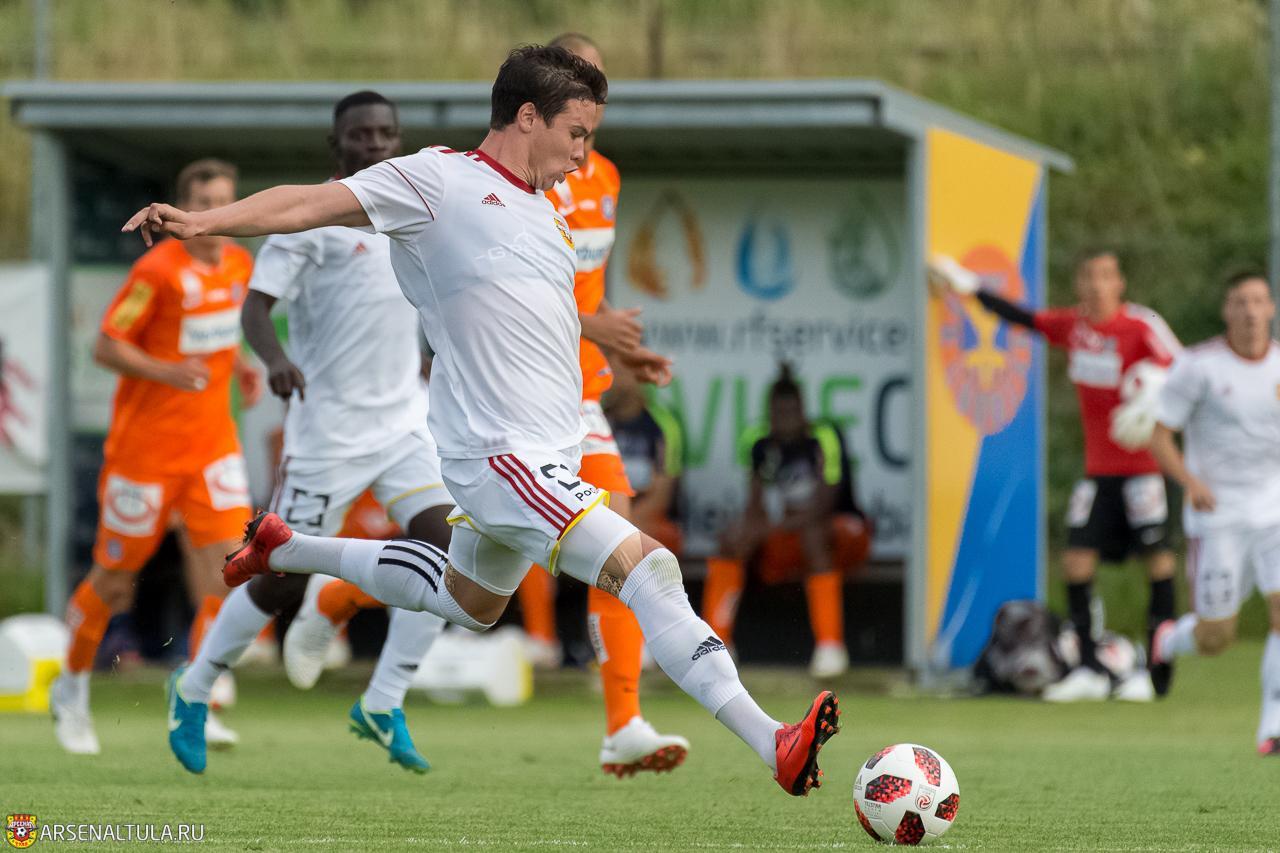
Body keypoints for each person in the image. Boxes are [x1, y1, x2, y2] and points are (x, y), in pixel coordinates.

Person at [124, 44, 840, 797]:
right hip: (503, 458)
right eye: (576, 134)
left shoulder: (547, 212)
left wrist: (616, 349)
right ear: (528, 117)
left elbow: (537, 320)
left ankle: (291, 547)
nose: (583, 155)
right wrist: (200, 221)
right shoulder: (438, 179)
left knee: (467, 601)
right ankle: (773, 742)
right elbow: (304, 205)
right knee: (649, 569)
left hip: (534, 452)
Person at [164, 92, 454, 776]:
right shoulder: (307, 221)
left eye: (386, 133)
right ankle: (194, 686)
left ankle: (383, 700)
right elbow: (255, 309)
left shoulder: (412, 215)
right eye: (361, 135)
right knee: (279, 580)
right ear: (337, 145)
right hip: (326, 432)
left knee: (452, 553)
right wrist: (274, 360)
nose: (375, 144)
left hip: (404, 424)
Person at [507, 31, 689, 778]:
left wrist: (619, 345)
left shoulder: (604, 175)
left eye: (599, 82)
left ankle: (623, 723)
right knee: (470, 583)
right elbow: (513, 291)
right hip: (516, 390)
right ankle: (332, 596)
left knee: (624, 541)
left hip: (580, 392)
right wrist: (592, 326)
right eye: (578, 79)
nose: (592, 94)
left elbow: (583, 288)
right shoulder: (522, 175)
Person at [52, 159, 261, 755]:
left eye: (224, 202)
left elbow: (220, 331)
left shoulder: (239, 263)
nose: (216, 215)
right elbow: (105, 345)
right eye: (205, 203)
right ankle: (71, 687)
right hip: (144, 456)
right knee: (114, 582)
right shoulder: (157, 271)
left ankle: (197, 696)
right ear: (183, 211)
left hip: (212, 448)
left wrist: (241, 365)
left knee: (229, 571)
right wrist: (167, 371)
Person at [932, 248, 1180, 702]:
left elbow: (1186, 371)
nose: (1097, 285)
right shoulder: (1074, 328)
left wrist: (1155, 399)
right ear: (1078, 284)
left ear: (1120, 283)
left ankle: (1156, 675)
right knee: (1076, 562)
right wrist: (967, 286)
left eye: (1105, 275)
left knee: (1159, 562)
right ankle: (1088, 668)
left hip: (1143, 470)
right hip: (1098, 471)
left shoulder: (1142, 326)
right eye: (1088, 276)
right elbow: (1022, 318)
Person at [1149, 270, 1280, 756]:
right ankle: (1169, 639)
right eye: (1240, 302)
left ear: (1271, 308)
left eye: (1259, 301)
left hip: (1273, 509)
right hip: (1217, 515)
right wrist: (1191, 482)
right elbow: (1160, 435)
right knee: (1216, 637)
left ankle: (1272, 727)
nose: (1250, 312)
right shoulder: (1199, 366)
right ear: (1227, 310)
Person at [702, 364, 871, 679]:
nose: (785, 419)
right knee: (732, 539)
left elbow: (825, 504)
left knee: (814, 535)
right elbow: (755, 507)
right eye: (778, 412)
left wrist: (779, 525)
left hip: (841, 534)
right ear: (769, 412)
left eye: (791, 411)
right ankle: (715, 644)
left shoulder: (823, 436)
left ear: (803, 409)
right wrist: (755, 529)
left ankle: (830, 647)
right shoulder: (759, 442)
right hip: (787, 536)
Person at [606, 366, 685, 556]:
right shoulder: (598, 420)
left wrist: (622, 530)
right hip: (606, 517)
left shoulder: (662, 425)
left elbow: (661, 497)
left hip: (649, 519)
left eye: (620, 370)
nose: (612, 378)